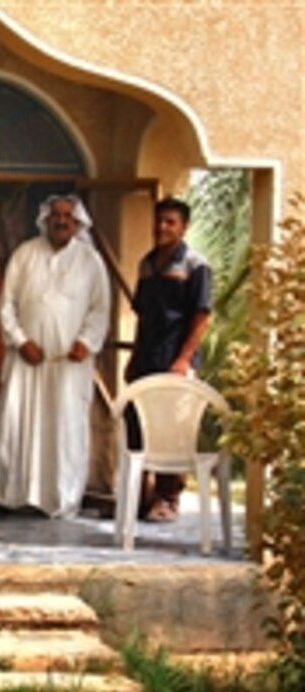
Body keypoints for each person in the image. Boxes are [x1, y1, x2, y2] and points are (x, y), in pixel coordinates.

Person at [0, 194, 111, 518]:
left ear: (78, 222)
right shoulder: (24, 254)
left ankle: (61, 500)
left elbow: (100, 308)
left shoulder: (90, 260)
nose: (62, 220)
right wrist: (20, 340)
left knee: (64, 429)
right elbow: (6, 304)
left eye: (68, 216)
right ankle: (7, 496)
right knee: (16, 424)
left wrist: (87, 341)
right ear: (45, 220)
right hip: (26, 361)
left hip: (69, 365)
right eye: (56, 215)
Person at [125, 196, 213, 522]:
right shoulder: (146, 264)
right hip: (146, 358)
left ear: (183, 227)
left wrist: (184, 359)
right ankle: (139, 496)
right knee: (138, 427)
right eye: (159, 221)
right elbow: (142, 315)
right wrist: (134, 358)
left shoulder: (195, 265)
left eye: (170, 222)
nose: (162, 227)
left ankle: (167, 498)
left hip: (175, 361)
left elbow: (201, 316)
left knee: (172, 431)